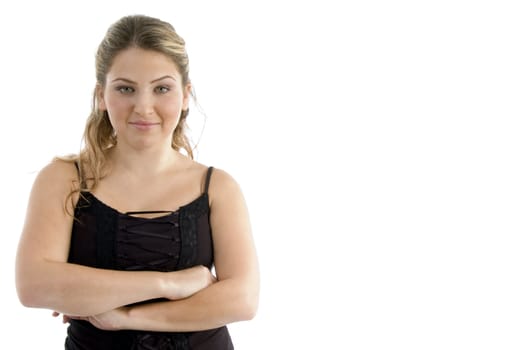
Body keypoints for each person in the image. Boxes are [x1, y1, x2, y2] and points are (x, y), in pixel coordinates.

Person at [15, 14, 259, 349]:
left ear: (186, 95)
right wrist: (171, 284)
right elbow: (35, 285)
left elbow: (242, 301)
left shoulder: (217, 187)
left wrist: (126, 317)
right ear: (101, 96)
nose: (144, 107)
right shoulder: (64, 180)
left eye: (161, 88)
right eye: (126, 88)